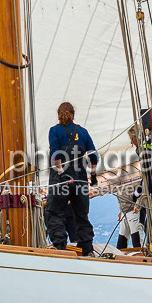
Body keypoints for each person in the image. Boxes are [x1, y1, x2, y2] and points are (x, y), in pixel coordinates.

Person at [46, 101, 98, 254]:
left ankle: (60, 248)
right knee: (81, 215)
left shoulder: (54, 131)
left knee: (55, 213)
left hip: (60, 180)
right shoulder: (83, 132)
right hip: (80, 180)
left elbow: (56, 155)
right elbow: (93, 156)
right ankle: (87, 249)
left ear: (58, 115)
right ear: (73, 115)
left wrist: (61, 171)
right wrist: (93, 175)